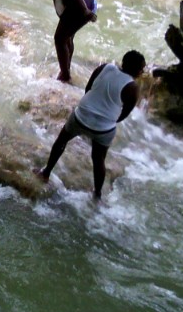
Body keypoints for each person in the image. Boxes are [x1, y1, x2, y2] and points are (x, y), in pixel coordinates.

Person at [35, 49, 145, 199]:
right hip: (103, 129)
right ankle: (97, 195)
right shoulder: (132, 87)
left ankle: (45, 172)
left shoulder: (105, 67)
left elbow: (88, 89)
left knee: (61, 141)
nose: (143, 71)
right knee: (98, 159)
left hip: (81, 116)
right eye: (142, 68)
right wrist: (107, 120)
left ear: (123, 62)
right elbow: (123, 114)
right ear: (138, 70)